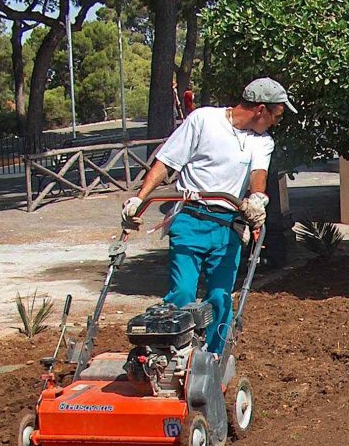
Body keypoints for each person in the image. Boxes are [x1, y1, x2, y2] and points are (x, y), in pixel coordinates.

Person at [121, 77, 295, 354]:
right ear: (261, 109)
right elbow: (166, 162)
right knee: (182, 294)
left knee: (219, 298)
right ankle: (172, 355)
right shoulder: (203, 120)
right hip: (190, 218)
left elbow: (257, 175)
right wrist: (139, 200)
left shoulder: (262, 142)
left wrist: (257, 199)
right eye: (276, 115)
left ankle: (213, 360)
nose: (276, 121)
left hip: (229, 226)